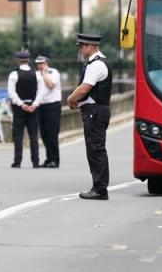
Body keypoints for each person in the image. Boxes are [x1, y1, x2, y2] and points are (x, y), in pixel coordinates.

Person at [66, 33, 112, 200]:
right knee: (95, 149)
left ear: (90, 46)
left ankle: (100, 189)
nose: (80, 50)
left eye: (81, 47)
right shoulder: (96, 63)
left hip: (95, 112)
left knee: (96, 149)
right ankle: (98, 186)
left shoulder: (97, 65)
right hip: (95, 111)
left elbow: (85, 88)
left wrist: (71, 98)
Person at [7, 50, 43, 168]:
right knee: (33, 136)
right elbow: (41, 92)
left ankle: (17, 161)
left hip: (19, 109)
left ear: (18, 61)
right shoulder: (37, 74)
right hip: (33, 108)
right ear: (28, 60)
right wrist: (34, 104)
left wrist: (21, 104)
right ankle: (36, 162)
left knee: (18, 136)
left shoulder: (14, 74)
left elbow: (11, 93)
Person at [35, 54, 63, 168]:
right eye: (38, 64)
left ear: (47, 63)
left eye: (42, 63)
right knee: (44, 134)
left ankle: (54, 159)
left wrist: (44, 73)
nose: (40, 66)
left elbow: (51, 84)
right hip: (41, 106)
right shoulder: (36, 74)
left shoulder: (53, 72)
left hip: (53, 105)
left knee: (52, 134)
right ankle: (48, 158)